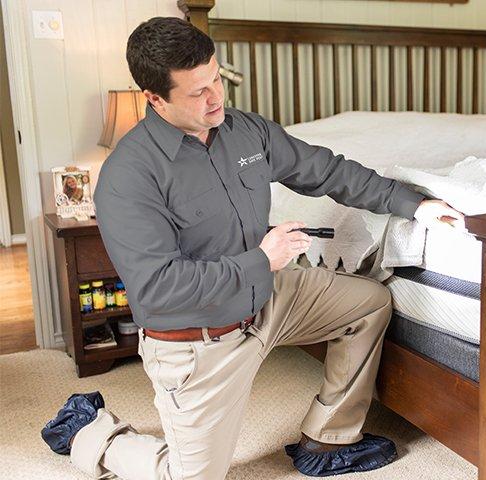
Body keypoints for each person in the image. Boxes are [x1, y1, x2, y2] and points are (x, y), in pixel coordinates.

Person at [41, 16, 464, 480]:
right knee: (188, 476)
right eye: (197, 92)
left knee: (369, 302)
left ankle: (329, 438)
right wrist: (263, 258)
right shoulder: (127, 177)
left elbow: (326, 170)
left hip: (268, 298)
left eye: (217, 78)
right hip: (199, 340)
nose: (215, 98)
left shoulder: (246, 131)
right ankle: (88, 430)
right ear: (154, 98)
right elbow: (159, 289)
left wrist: (414, 204)